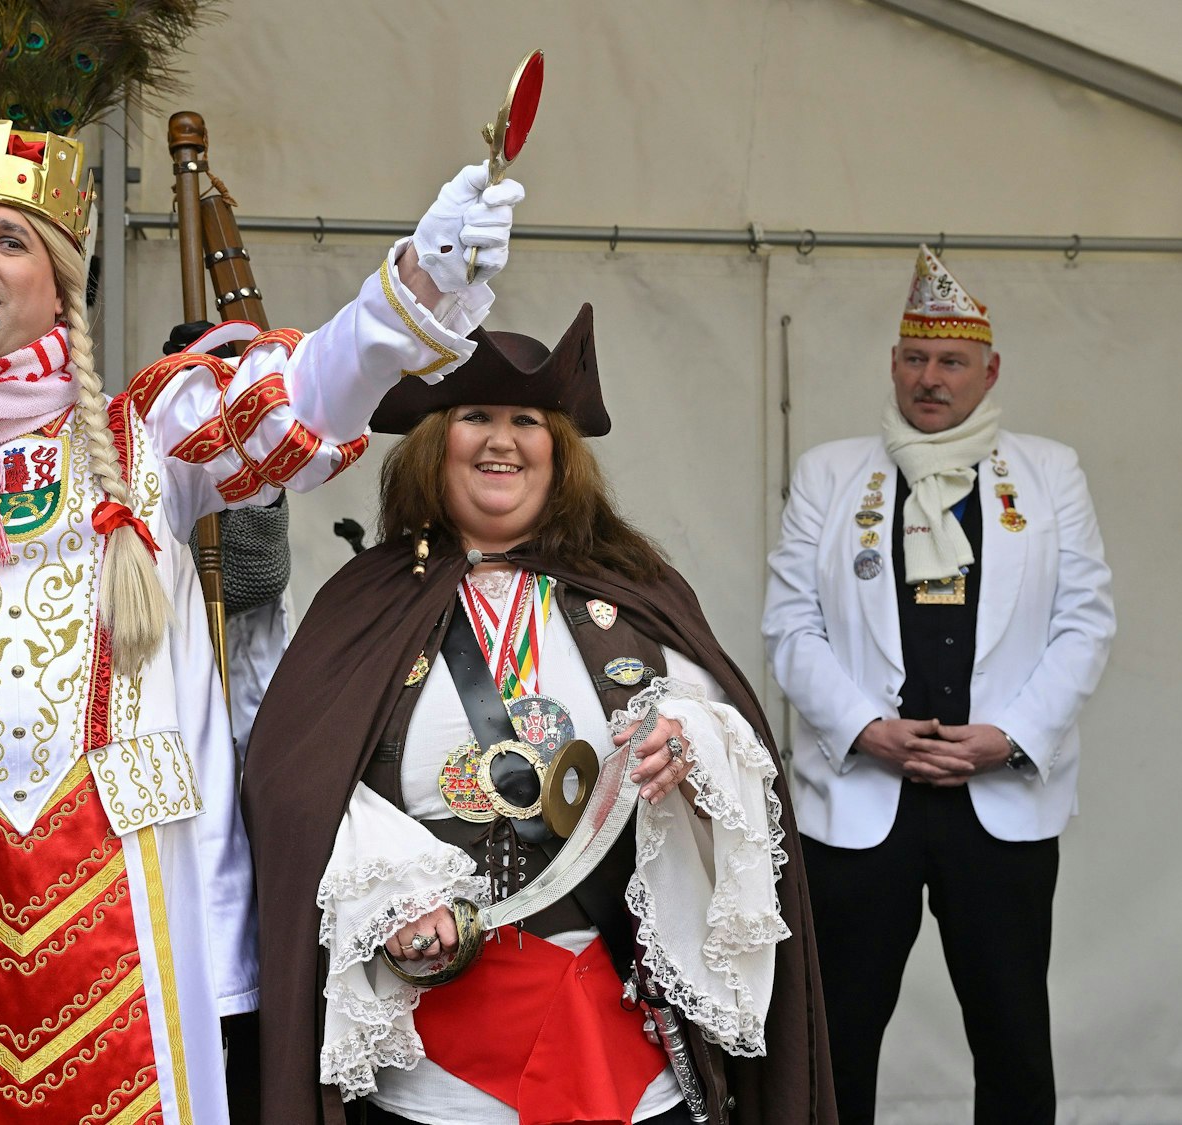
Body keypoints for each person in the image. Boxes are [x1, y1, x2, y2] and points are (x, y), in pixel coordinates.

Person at [0, 91, 524, 1119]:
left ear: (60, 280)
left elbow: (299, 397)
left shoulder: (143, 432)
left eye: (6, 239)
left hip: (115, 893)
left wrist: (414, 288)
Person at [243, 307, 837, 1125]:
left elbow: (728, 732)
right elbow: (295, 789)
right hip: (439, 1062)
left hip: (624, 1035)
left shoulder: (635, 586)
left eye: (526, 419)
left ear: (559, 448)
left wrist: (690, 746)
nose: (502, 439)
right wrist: (392, 893)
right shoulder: (366, 602)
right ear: (432, 442)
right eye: (475, 416)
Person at [761, 246, 1115, 1124]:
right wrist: (865, 728)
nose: (931, 378)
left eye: (951, 361)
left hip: (998, 796)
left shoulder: (1050, 472)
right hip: (859, 797)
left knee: (1011, 1037)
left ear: (988, 371)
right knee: (836, 1035)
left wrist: (1012, 736)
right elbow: (789, 625)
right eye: (915, 358)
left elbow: (1085, 623)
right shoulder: (829, 473)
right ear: (892, 364)